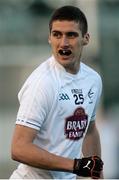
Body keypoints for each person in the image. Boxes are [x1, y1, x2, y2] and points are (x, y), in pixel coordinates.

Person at [10, 5, 103, 179]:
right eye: (57, 34)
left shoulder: (93, 80)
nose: (63, 43)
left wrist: (97, 176)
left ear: (86, 38)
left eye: (71, 35)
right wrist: (75, 165)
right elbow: (19, 148)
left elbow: (89, 131)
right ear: (49, 38)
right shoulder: (42, 83)